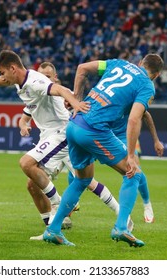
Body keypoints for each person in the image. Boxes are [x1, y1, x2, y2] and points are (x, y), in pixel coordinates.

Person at [43, 54, 164, 247]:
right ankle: (121, 227)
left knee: (82, 179)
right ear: (156, 75)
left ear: (140, 62)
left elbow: (82, 68)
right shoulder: (146, 86)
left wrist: (76, 99)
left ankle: (53, 229)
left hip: (75, 124)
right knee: (134, 174)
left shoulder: (119, 63)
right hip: (94, 129)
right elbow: (134, 119)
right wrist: (131, 156)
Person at [0, 50, 89, 238]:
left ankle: (61, 203)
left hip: (63, 136)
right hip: (49, 138)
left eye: (2, 71)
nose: (2, 76)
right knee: (32, 185)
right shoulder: (22, 82)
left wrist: (75, 103)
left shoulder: (36, 82)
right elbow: (5, 81)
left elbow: (60, 90)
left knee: (84, 180)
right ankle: (52, 224)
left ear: (13, 68)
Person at [19, 62, 131, 239]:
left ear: (55, 78)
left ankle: (122, 216)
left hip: (66, 139)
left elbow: (79, 104)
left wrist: (77, 107)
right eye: (41, 76)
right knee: (34, 183)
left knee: (87, 182)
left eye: (48, 76)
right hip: (50, 142)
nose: (43, 79)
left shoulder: (61, 92)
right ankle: (53, 224)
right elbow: (24, 117)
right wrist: (23, 126)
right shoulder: (34, 94)